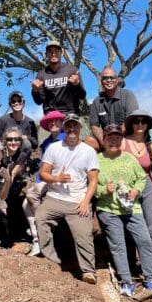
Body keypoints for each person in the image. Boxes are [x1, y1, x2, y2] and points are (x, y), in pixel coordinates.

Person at [96, 124, 152, 295]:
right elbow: (90, 187)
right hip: (108, 210)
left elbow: (142, 178)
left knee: (145, 241)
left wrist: (136, 191)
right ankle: (126, 282)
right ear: (103, 140)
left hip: (132, 208)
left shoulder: (129, 158)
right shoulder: (97, 160)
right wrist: (104, 190)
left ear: (122, 140)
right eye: (109, 137)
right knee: (118, 245)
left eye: (117, 137)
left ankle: (150, 279)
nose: (113, 140)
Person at [35, 114, 99, 284]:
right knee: (40, 218)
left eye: (75, 126)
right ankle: (52, 261)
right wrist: (57, 179)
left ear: (80, 128)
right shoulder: (54, 148)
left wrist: (85, 202)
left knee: (84, 235)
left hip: (78, 200)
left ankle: (88, 271)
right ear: (64, 128)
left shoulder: (88, 151)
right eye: (68, 126)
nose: (71, 129)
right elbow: (43, 173)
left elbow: (93, 180)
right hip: (55, 197)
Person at [123, 110, 152, 283]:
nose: (140, 124)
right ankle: (133, 266)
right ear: (131, 124)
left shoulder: (150, 146)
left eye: (143, 122)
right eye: (136, 121)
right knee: (132, 230)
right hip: (128, 189)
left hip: (147, 188)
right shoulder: (123, 142)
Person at [23, 110, 66, 256]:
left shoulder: (66, 139)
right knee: (25, 204)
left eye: (56, 121)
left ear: (62, 123)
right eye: (50, 122)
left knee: (31, 194)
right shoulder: (46, 143)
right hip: (45, 178)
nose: (53, 123)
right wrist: (37, 181)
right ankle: (37, 239)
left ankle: (43, 224)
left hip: (60, 177)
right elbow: (43, 164)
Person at [87, 67, 139, 151]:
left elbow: (130, 121)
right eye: (105, 78)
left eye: (111, 77)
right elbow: (94, 126)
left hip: (124, 137)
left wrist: (116, 139)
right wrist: (103, 141)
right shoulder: (97, 101)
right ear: (101, 81)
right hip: (106, 140)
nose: (108, 80)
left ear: (117, 80)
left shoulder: (128, 95)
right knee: (89, 141)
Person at [30, 40, 86, 115]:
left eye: (57, 51)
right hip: (51, 116)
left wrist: (77, 84)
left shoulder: (72, 70)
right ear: (46, 54)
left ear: (62, 53)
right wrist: (35, 91)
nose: (53, 54)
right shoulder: (41, 75)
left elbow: (82, 95)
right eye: (50, 52)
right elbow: (39, 101)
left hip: (70, 115)